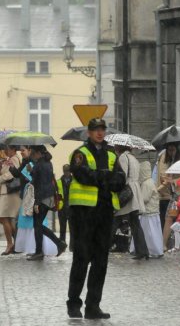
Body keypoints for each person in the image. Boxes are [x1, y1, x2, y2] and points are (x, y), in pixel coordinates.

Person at [67, 118, 126, 320]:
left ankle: (93, 306)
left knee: (101, 262)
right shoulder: (80, 154)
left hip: (105, 212)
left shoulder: (111, 154)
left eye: (102, 129)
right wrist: (105, 177)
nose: (100, 133)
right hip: (84, 213)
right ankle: (74, 303)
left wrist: (101, 177)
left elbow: (121, 180)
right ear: (89, 133)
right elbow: (83, 176)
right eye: (96, 130)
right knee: (81, 259)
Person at [27, 146, 67, 261]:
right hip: (48, 196)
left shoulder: (40, 165)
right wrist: (32, 171)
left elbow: (40, 185)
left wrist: (37, 203)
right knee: (38, 224)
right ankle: (57, 244)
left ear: (38, 153)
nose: (33, 155)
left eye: (33, 153)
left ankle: (41, 251)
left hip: (42, 198)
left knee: (37, 224)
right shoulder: (47, 162)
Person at [112, 145, 149, 260]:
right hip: (134, 190)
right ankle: (142, 251)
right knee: (135, 223)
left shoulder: (123, 157)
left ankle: (101, 248)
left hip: (127, 191)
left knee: (114, 220)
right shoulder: (133, 158)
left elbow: (122, 176)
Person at [136, 161, 163, 257]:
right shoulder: (151, 181)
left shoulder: (146, 183)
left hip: (148, 211)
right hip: (152, 211)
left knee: (149, 233)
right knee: (153, 232)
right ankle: (155, 249)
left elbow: (145, 198)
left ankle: (152, 249)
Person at [156, 143, 180, 230]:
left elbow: (179, 178)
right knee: (167, 220)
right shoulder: (164, 158)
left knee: (171, 220)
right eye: (170, 150)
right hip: (165, 196)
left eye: (173, 150)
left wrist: (173, 180)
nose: (172, 153)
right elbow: (164, 178)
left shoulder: (175, 160)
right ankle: (166, 241)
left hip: (173, 196)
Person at [57, 164, 73, 244]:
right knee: (62, 228)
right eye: (65, 171)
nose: (66, 172)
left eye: (68, 171)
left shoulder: (74, 181)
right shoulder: (59, 181)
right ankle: (62, 244)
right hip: (62, 207)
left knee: (72, 228)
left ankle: (72, 246)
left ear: (70, 171)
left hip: (72, 207)